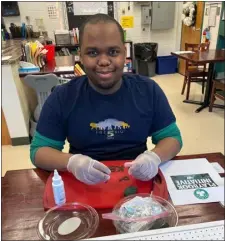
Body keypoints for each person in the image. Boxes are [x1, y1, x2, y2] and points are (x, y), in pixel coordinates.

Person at [30, 14, 182, 185]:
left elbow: (173, 138)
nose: (103, 61)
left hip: (137, 179)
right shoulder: (61, 96)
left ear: (125, 53)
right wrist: (72, 162)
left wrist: (154, 157)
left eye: (113, 52)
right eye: (93, 52)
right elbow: (39, 152)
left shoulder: (148, 90)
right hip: (83, 182)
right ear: (80, 56)